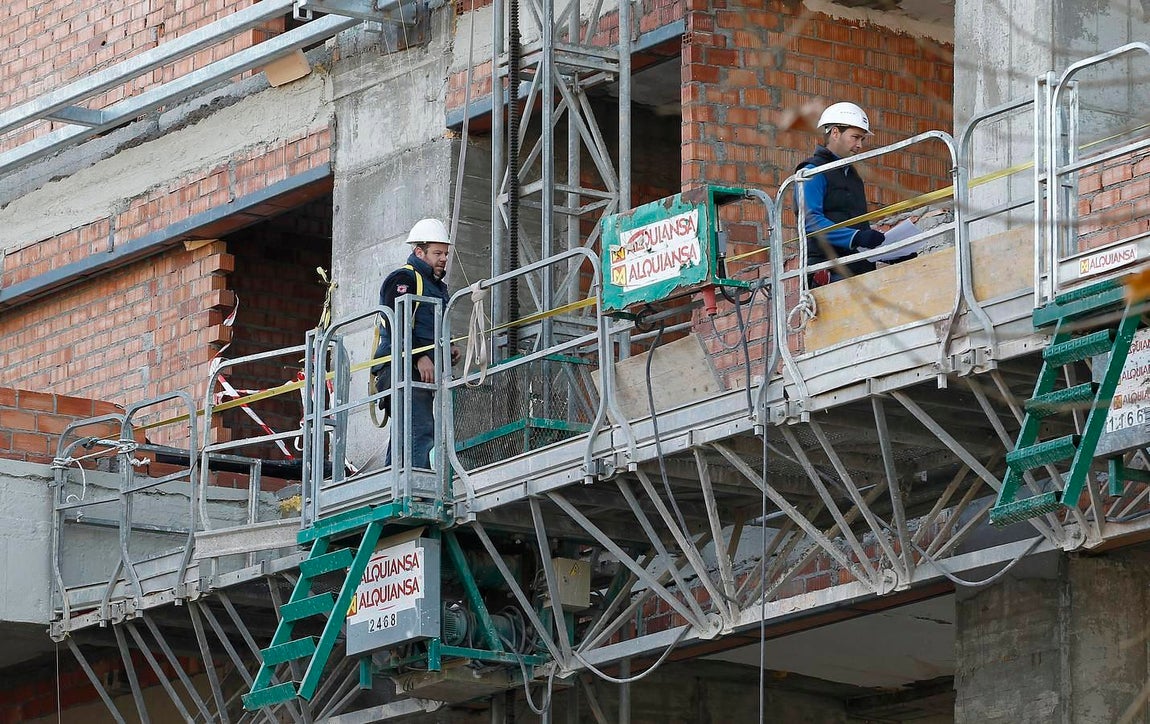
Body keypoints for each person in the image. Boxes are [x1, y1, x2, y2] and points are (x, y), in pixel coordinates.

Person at [371, 218, 459, 469]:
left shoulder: (436, 287)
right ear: (419, 252)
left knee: (410, 429)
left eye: (445, 253)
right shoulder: (404, 278)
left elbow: (431, 323)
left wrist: (448, 346)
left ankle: (394, 482)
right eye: (437, 253)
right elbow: (394, 321)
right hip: (402, 368)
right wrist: (418, 357)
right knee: (418, 429)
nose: (443, 258)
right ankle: (417, 486)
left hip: (424, 370)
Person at [797, 101, 887, 284]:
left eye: (862, 139)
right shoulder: (813, 171)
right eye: (855, 137)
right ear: (835, 133)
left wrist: (887, 252)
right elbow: (810, 221)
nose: (859, 145)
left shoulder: (853, 177)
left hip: (858, 269)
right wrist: (856, 237)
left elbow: (859, 229)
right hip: (828, 269)